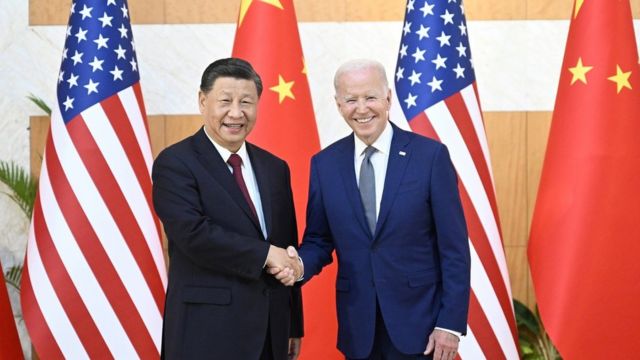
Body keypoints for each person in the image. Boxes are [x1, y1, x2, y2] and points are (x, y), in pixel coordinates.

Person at [274, 59, 470, 360]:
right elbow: (319, 240)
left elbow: (454, 247)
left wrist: (450, 324)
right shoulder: (325, 164)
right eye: (351, 100)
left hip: (422, 327)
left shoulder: (429, 156)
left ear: (388, 98)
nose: (361, 108)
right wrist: (298, 265)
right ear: (339, 105)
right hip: (359, 329)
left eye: (370, 97)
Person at [152, 58, 303, 360]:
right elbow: (193, 235)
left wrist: (293, 324)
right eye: (225, 101)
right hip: (206, 332)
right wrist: (263, 254)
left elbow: (287, 246)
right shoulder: (175, 163)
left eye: (246, 102)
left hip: (270, 332)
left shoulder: (275, 168)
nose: (236, 113)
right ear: (202, 101)